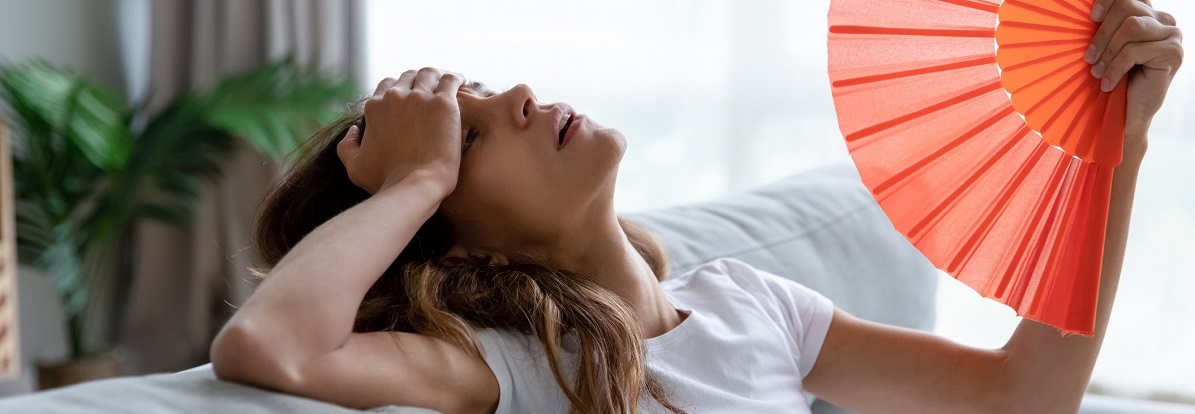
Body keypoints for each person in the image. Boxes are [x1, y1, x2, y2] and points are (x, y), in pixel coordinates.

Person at [209, 1, 1184, 412]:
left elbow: (1023, 396)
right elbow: (273, 349)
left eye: (480, 92)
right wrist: (412, 179)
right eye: (468, 138)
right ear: (465, 252)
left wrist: (1116, 145)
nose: (511, 97)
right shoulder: (515, 363)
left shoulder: (752, 303)